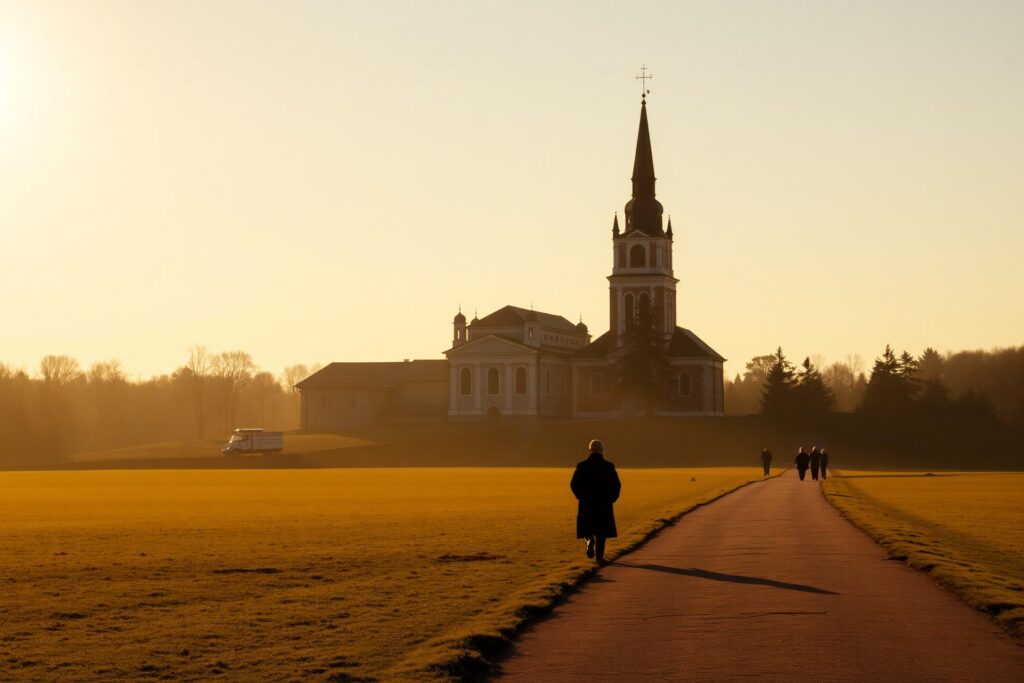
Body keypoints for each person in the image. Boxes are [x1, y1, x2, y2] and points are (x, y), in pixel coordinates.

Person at [570, 439, 621, 564]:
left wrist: (580, 496)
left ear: (590, 450)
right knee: (601, 531)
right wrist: (612, 498)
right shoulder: (609, 466)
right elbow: (617, 485)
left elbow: (573, 484)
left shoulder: (581, 466)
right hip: (604, 503)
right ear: (602, 450)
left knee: (586, 528)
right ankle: (599, 557)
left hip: (586, 503)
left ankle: (588, 540)